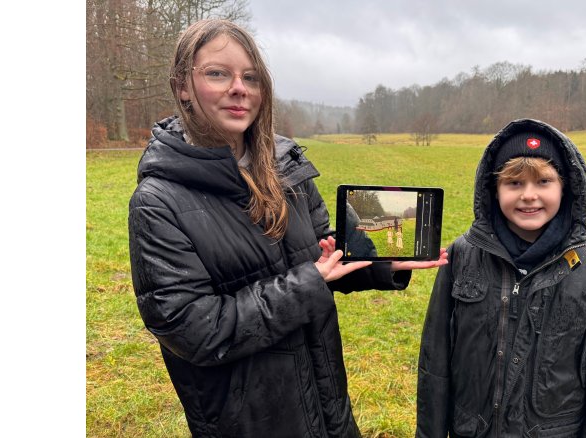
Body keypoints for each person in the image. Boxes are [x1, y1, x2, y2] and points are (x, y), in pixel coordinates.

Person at [127, 19, 447, 438]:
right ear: (182, 86)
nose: (239, 88)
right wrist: (310, 280)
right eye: (217, 73)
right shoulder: (158, 202)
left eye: (251, 76)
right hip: (250, 417)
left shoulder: (285, 168)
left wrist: (384, 263)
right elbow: (194, 330)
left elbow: (320, 254)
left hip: (325, 396)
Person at [416, 119, 586, 437]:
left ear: (565, 186)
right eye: (514, 183)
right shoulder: (462, 255)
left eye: (544, 182)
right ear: (494, 189)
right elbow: (434, 361)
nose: (529, 195)